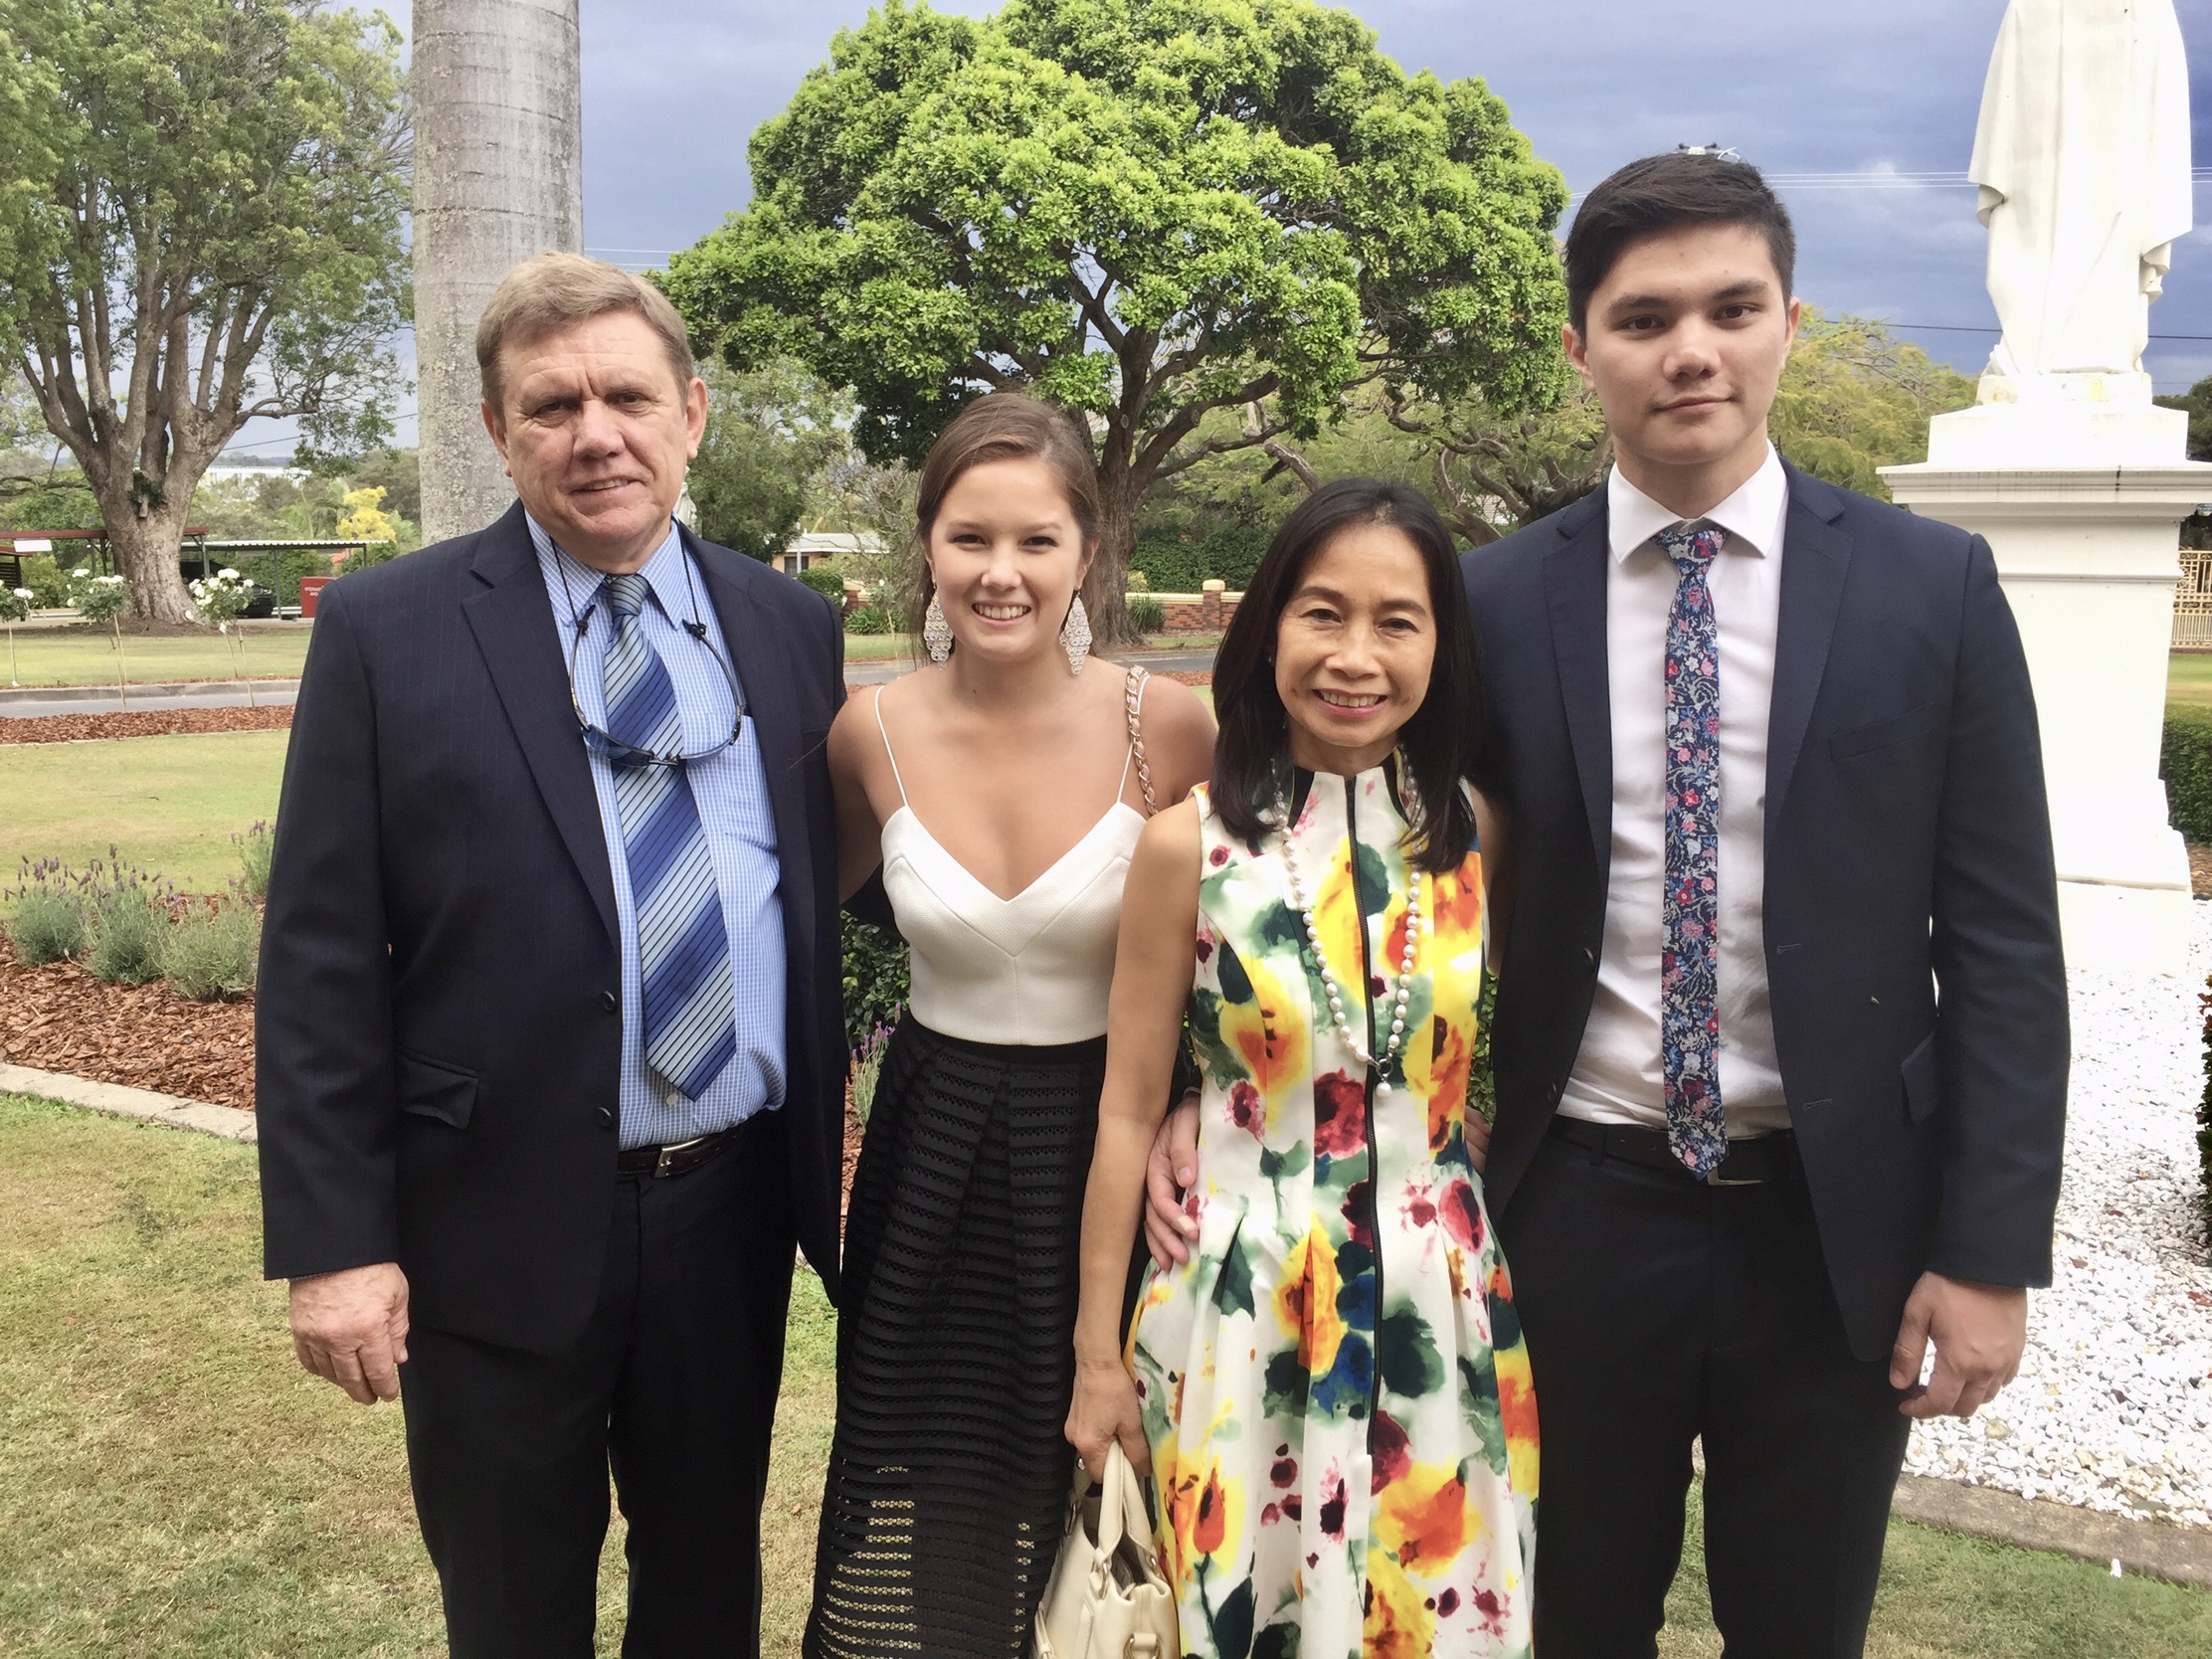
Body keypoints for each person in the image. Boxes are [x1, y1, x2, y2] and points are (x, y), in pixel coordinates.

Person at [1148, 153, 2070, 1657]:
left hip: (1835, 1227)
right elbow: (1360, 848)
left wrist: (1986, 1251)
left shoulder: (1932, 587)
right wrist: (1227, 1080)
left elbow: (2008, 946)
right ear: (1582, 347)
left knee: (1802, 1622)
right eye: (1644, 317)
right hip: (1569, 1211)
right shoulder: (1493, 605)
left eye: (1731, 308)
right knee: (1561, 1618)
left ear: (1791, 323)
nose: (1690, 349)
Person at [256, 253, 854, 1658]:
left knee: (708, 1586)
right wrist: (338, 1248)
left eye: (629, 397)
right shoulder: (387, 634)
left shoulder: (790, 630)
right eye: (553, 405)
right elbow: (323, 954)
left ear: (693, 413)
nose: (598, 434)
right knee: (516, 1603)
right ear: (496, 431)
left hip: (729, 1209)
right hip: (491, 1221)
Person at [1071, 479, 1540, 1659]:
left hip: (1439, 1303)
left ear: (1442, 644)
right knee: (1245, 1613)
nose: (1354, 656)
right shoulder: (1189, 845)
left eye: (1397, 621)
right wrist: (1094, 1364)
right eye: (1321, 613)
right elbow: (1127, 1108)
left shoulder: (1472, 831)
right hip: (1240, 1301)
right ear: (1268, 625)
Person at [806, 393, 1213, 1658]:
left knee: (1115, 1473)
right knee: (925, 1479)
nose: (1001, 573)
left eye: (1036, 541)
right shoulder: (868, 732)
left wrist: (1197, 1099)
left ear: (1086, 555)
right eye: (969, 538)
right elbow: (813, 920)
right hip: (933, 1144)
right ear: (926, 546)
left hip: (1115, 1138)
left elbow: (1251, 951)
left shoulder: (1173, 726)